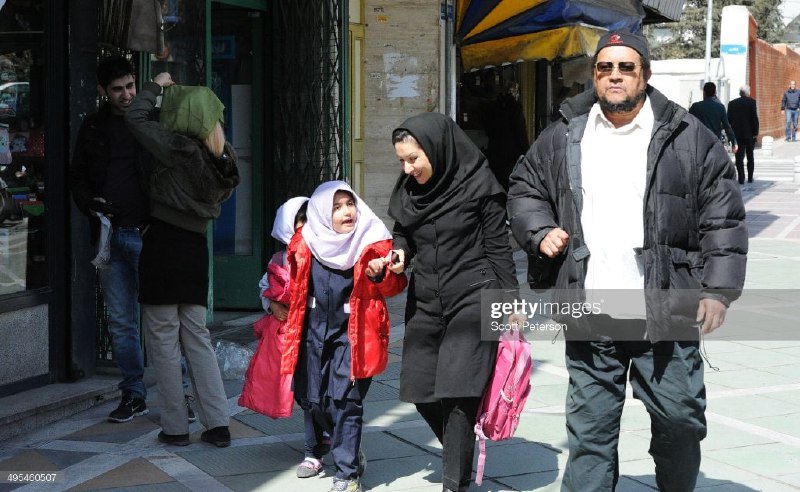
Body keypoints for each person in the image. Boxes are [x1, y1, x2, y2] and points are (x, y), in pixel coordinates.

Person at [507, 30, 748, 491]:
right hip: (591, 311)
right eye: (605, 68)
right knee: (590, 436)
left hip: (666, 310)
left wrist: (718, 291)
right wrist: (539, 231)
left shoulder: (688, 137)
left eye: (625, 67)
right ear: (594, 75)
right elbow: (525, 188)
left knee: (680, 421)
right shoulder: (565, 133)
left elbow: (723, 218)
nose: (614, 76)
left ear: (645, 74)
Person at [384, 112, 518, 492]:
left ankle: (454, 483)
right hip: (426, 299)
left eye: (413, 159)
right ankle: (459, 450)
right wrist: (399, 252)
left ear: (437, 149)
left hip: (475, 296)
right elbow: (403, 230)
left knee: (458, 393)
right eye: (402, 161)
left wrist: (511, 302)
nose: (407, 168)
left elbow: (499, 248)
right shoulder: (411, 189)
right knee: (419, 389)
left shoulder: (480, 185)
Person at [69, 56, 195, 424]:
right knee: (122, 322)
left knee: (163, 321)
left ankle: (180, 395)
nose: (125, 95)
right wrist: (90, 204)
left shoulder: (152, 121)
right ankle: (133, 394)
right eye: (117, 90)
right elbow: (78, 176)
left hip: (148, 233)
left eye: (130, 86)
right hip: (109, 235)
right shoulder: (93, 126)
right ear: (102, 91)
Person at [125, 72, 239, 447]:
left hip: (162, 245)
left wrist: (155, 86)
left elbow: (134, 118)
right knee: (197, 338)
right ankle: (218, 424)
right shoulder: (224, 157)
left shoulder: (176, 147)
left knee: (162, 340)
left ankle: (175, 427)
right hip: (195, 249)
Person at [283, 181, 407, 492]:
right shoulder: (305, 241)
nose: (346, 212)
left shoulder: (371, 241)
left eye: (349, 203)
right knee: (312, 400)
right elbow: (295, 285)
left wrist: (381, 273)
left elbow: (395, 286)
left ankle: (347, 474)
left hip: (354, 334)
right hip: (312, 334)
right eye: (336, 207)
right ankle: (340, 447)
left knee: (346, 401)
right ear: (321, 213)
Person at [238, 197, 332, 477]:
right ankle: (313, 448)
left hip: (321, 334)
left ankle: (326, 434)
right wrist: (272, 305)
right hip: (291, 338)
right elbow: (264, 287)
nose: (306, 229)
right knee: (305, 393)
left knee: (322, 391)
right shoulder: (279, 260)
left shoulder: (328, 255)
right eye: (301, 222)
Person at [483, 80, 529, 190]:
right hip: (511, 154)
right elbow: (520, 131)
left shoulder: (493, 107)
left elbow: (488, 129)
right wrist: (526, 151)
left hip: (495, 151)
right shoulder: (515, 107)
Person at [689, 82, 738, 154]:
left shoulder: (695, 107)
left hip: (700, 143)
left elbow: (689, 123)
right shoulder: (720, 107)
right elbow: (727, 126)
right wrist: (734, 142)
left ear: (704, 92)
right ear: (715, 93)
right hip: (715, 142)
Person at [727, 84, 759, 184]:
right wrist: (756, 132)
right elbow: (754, 118)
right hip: (749, 134)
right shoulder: (752, 102)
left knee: (739, 157)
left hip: (737, 134)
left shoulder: (732, 103)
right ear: (748, 92)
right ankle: (750, 177)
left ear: (740, 93)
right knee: (750, 156)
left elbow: (728, 120)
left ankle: (741, 178)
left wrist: (730, 134)